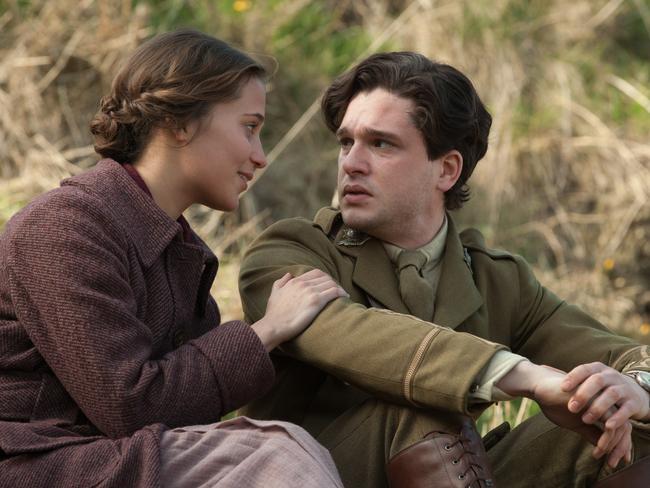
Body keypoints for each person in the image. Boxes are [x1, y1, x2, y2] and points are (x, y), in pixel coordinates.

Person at [238, 51, 650, 488]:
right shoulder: (290, 250)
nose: (351, 163)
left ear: (447, 170)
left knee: (622, 427)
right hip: (314, 476)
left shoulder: (495, 278)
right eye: (346, 142)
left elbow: (624, 356)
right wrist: (523, 376)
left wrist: (632, 389)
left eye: (380, 144)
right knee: (417, 411)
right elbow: (351, 335)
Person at [0, 29, 348, 488]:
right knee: (274, 457)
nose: (260, 157)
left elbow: (184, 414)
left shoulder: (182, 257)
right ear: (180, 122)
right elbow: (130, 406)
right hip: (33, 464)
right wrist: (266, 330)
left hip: (105, 459)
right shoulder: (63, 228)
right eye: (249, 126)